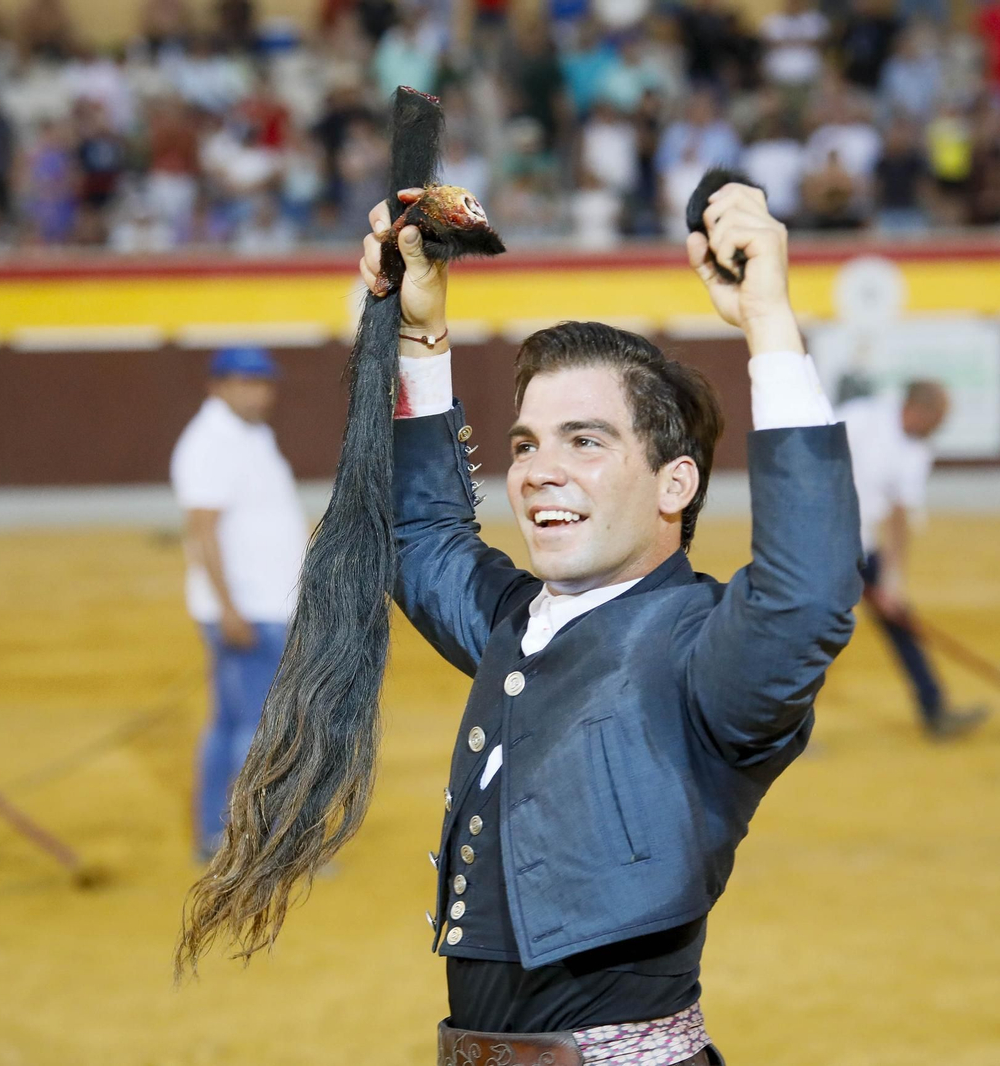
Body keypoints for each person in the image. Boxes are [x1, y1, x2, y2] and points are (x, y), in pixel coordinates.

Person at [358, 182, 860, 1061]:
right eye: (526, 444)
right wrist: (420, 331)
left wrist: (769, 321)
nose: (539, 472)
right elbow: (424, 531)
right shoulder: (519, 623)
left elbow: (804, 597)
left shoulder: (700, 653)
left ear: (675, 485)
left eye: (585, 441)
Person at [169, 347, 306, 860]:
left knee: (232, 725)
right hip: (248, 611)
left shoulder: (250, 436)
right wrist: (229, 608)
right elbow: (202, 532)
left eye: (263, 382)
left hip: (264, 605)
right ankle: (256, 843)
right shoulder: (210, 443)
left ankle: (218, 836)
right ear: (217, 386)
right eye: (244, 382)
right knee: (260, 729)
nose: (256, 391)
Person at [839, 383, 988, 739]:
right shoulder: (860, 419)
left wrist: (892, 582)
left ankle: (935, 712)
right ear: (917, 410)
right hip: (819, 543)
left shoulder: (917, 451)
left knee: (901, 624)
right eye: (938, 419)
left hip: (861, 546)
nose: (940, 427)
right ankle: (777, 733)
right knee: (813, 636)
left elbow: (900, 516)